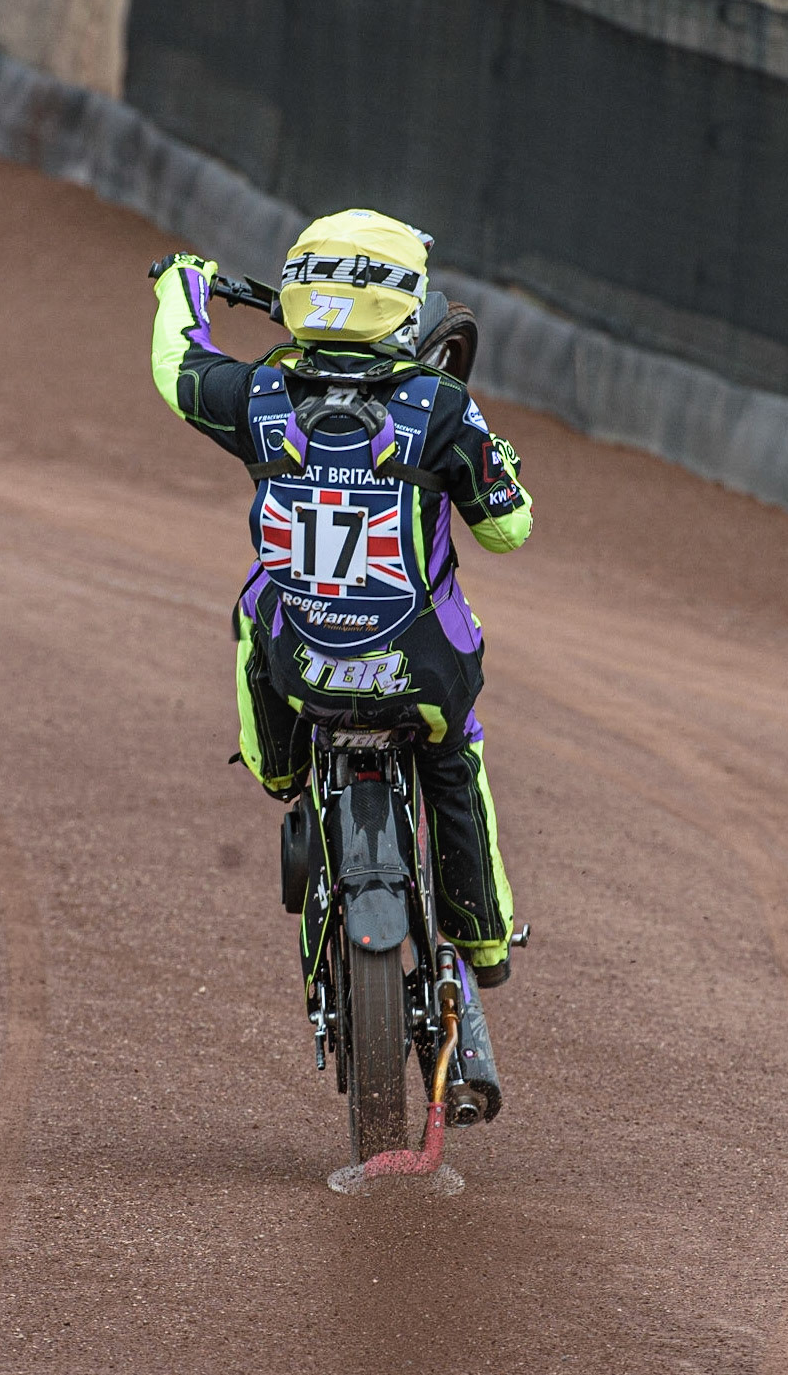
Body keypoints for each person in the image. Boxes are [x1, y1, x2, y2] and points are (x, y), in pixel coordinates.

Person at [150, 208, 532, 988]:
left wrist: (179, 288)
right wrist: (496, 464)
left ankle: (284, 771)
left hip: (305, 675)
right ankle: (485, 944)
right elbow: (508, 530)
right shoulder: (441, 405)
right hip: (420, 676)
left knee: (257, 605)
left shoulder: (260, 393)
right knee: (455, 754)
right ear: (404, 304)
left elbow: (180, 369)